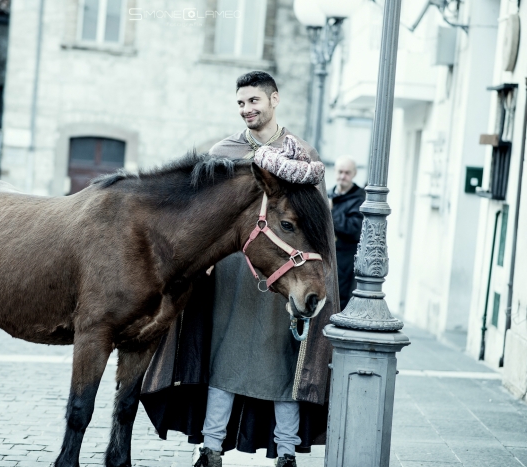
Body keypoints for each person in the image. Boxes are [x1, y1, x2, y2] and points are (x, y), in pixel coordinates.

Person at [138, 71, 340, 467]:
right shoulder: (224, 152)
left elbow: (317, 225)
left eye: (254, 101)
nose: (247, 109)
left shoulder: (302, 156)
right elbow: (198, 217)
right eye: (241, 103)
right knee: (223, 360)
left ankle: (286, 454)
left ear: (274, 100)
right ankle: (210, 449)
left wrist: (319, 276)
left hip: (285, 275)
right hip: (231, 273)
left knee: (285, 365)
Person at [327, 156, 365, 310]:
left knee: (338, 301)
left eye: (347, 173)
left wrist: (331, 212)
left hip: (345, 261)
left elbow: (354, 229)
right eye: (340, 172)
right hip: (324, 257)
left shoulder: (361, 199)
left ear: (354, 174)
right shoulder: (327, 194)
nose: (343, 176)